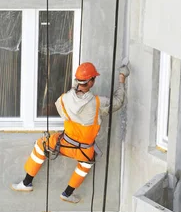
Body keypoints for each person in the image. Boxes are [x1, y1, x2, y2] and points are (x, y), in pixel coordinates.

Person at [11, 61, 130, 203]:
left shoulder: (65, 99)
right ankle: (67, 193)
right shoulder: (98, 103)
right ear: (91, 81)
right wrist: (122, 77)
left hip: (64, 144)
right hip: (84, 151)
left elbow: (63, 108)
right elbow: (118, 102)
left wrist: (76, 87)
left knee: (40, 145)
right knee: (86, 164)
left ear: (77, 81)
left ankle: (26, 183)